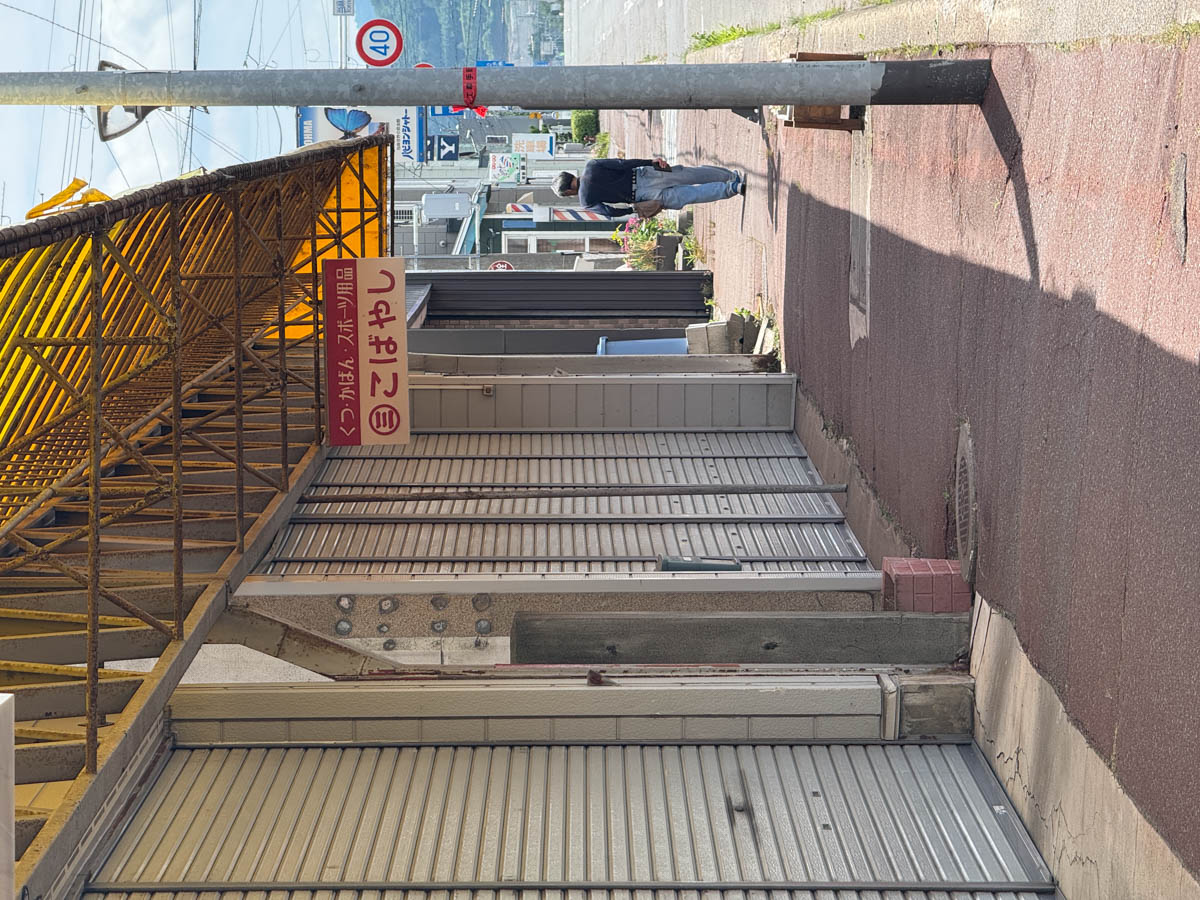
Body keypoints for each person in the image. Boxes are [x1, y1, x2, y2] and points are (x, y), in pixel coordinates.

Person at [552, 157, 744, 219]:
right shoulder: (592, 165)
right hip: (645, 174)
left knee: (690, 195)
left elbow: (608, 211)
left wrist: (631, 209)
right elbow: (623, 163)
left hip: (642, 196)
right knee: (691, 174)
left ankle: (733, 188)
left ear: (568, 191)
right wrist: (650, 162)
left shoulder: (586, 201)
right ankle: (730, 176)